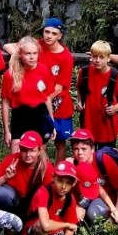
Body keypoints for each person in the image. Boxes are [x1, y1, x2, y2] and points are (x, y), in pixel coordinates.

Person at [0, 130, 54, 235]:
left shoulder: (46, 168)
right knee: (2, 193)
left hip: (32, 208)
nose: (27, 154)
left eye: (32, 150)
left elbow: (51, 197)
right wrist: (5, 178)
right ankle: (1, 227)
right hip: (13, 203)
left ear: (39, 151)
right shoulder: (12, 160)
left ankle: (18, 234)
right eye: (24, 149)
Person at [24, 161, 81, 235]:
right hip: (35, 231)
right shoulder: (44, 192)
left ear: (73, 184)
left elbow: (72, 225)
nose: (63, 187)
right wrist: (66, 225)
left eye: (68, 183)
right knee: (42, 226)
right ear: (53, 178)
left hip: (56, 234)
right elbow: (45, 224)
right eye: (60, 181)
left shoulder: (70, 199)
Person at [2, 37, 55, 152]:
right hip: (20, 117)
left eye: (35, 53)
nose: (32, 57)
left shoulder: (43, 70)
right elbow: (5, 103)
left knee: (38, 157)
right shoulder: (10, 74)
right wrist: (6, 130)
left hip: (40, 115)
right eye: (28, 54)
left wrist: (52, 122)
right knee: (16, 157)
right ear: (20, 54)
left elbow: (46, 97)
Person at [76, 40, 118, 148]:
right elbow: (79, 87)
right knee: (87, 155)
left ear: (108, 58)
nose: (97, 60)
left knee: (105, 157)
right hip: (88, 121)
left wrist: (117, 107)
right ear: (90, 56)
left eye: (101, 57)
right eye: (95, 56)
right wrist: (80, 101)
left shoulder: (115, 75)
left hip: (107, 125)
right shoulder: (84, 72)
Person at [36, 18, 75, 161]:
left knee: (60, 142)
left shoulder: (66, 57)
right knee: (40, 141)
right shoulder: (36, 45)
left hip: (59, 103)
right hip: (39, 101)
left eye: (53, 33)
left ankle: (60, 174)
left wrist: (42, 100)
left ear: (60, 36)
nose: (49, 36)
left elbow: (60, 87)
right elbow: (12, 46)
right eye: (46, 32)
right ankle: (42, 173)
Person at [68, 129, 118, 223]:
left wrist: (117, 209)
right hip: (85, 199)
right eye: (76, 149)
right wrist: (76, 207)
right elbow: (69, 192)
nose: (80, 153)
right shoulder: (73, 165)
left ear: (92, 149)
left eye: (84, 149)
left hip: (108, 199)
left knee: (93, 213)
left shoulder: (103, 159)